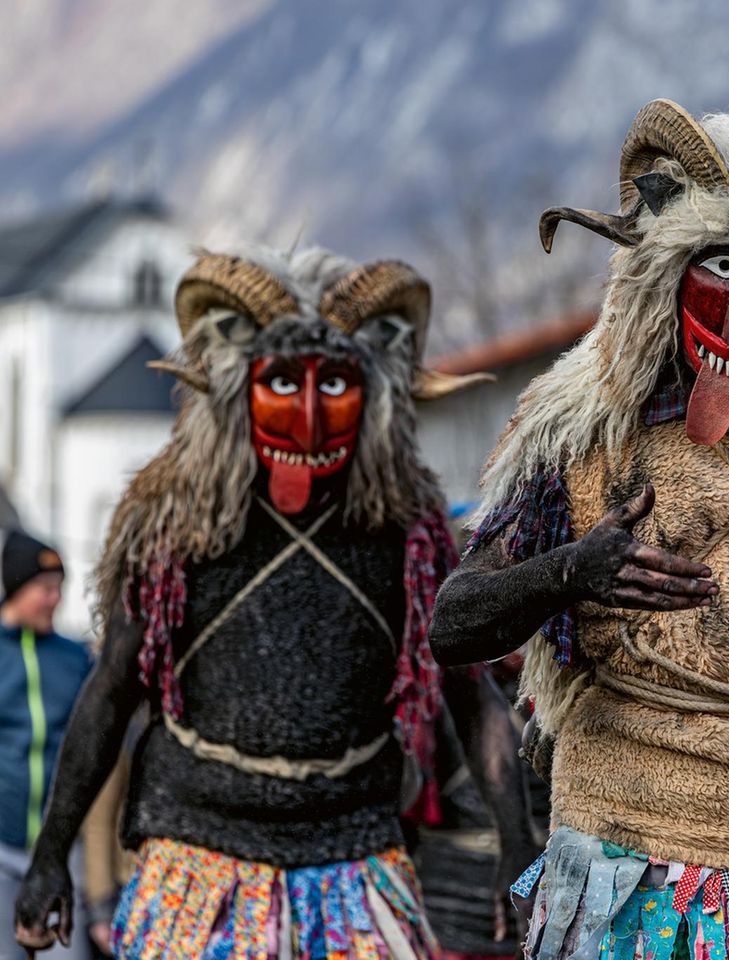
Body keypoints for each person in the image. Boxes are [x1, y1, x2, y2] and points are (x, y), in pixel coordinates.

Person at [427, 99, 729, 960]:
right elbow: (454, 624)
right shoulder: (586, 435)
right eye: (720, 265)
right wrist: (570, 571)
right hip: (630, 873)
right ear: (664, 277)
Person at [12, 247, 536, 959]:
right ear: (236, 388)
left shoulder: (408, 537)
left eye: (338, 386)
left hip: (356, 863)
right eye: (283, 384)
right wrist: (51, 857)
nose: (311, 422)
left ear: (374, 393)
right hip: (199, 869)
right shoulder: (178, 526)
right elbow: (109, 694)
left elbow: (472, 697)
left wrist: (517, 844)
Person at [0, 532, 89, 960]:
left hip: (61, 853)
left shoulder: (76, 660)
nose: (56, 599)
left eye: (60, 588)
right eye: (46, 588)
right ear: (17, 588)